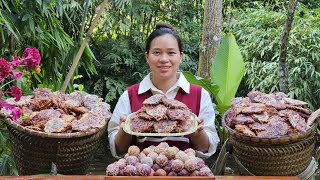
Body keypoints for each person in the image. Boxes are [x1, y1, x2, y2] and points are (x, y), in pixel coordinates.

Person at [107, 22, 220, 159]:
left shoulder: (200, 95)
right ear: (147, 57)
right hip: (140, 173)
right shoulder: (130, 95)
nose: (164, 59)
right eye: (156, 53)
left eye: (171, 53)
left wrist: (197, 132)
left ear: (181, 56)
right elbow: (118, 149)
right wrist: (125, 129)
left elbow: (206, 149)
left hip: (185, 174)